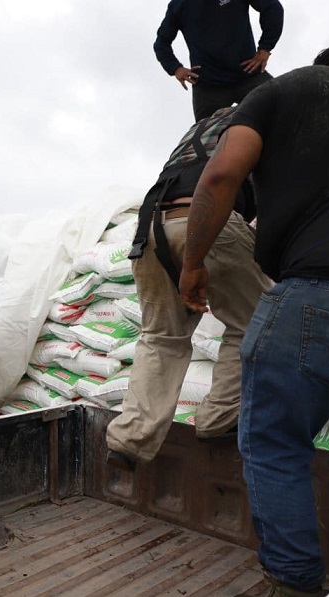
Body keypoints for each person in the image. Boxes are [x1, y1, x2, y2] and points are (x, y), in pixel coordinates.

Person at [179, 41, 329, 597]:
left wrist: (193, 264)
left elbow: (221, 175)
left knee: (273, 440)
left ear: (323, 68)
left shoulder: (287, 89)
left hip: (328, 281)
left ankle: (293, 584)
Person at [105, 106, 271, 465]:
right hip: (208, 220)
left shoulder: (203, 126)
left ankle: (129, 440)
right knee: (257, 320)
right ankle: (218, 418)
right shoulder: (261, 120)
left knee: (161, 336)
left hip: (150, 229)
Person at [154, 0, 284, 121]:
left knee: (283, 110)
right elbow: (161, 44)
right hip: (208, 88)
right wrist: (175, 68)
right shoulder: (179, 5)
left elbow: (273, 8)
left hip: (249, 75)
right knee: (206, 140)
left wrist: (265, 48)